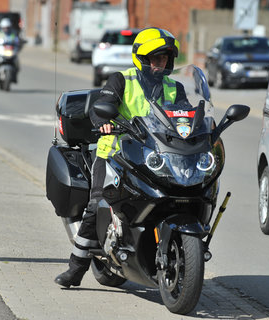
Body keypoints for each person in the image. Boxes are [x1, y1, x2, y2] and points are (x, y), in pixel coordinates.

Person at [54, 27, 190, 288]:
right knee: (97, 204)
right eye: (155, 58)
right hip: (115, 153)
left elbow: (185, 116)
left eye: (164, 58)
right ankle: (76, 267)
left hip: (155, 156)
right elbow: (100, 108)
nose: (159, 63)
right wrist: (103, 121)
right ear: (141, 58)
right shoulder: (122, 80)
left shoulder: (175, 88)